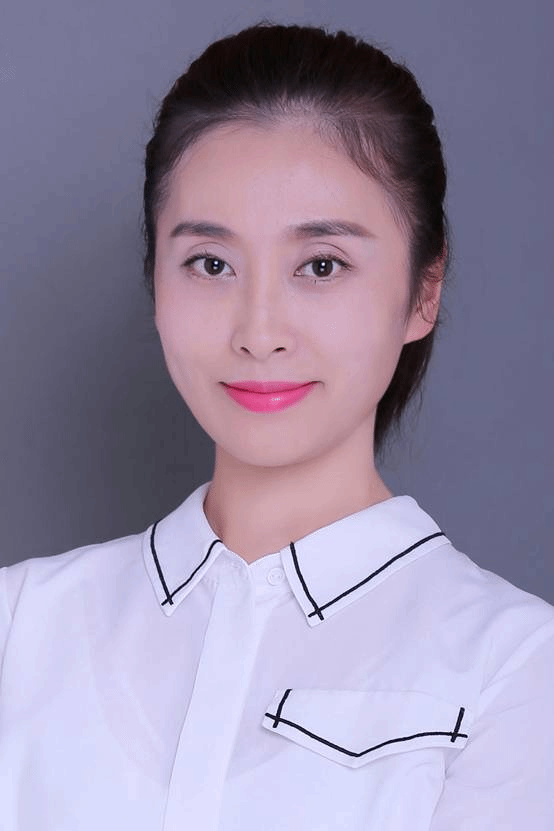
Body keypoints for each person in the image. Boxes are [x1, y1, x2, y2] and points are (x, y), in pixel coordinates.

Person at [0, 21, 553, 831]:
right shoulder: (20, 626)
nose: (259, 332)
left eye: (321, 265)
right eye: (211, 264)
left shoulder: (517, 670)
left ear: (423, 291)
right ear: (155, 279)